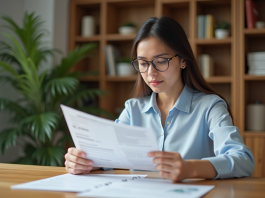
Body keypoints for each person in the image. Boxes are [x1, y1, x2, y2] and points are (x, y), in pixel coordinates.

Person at [64, 16, 254, 181]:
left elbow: (243, 160)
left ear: (183, 61)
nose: (151, 72)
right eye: (143, 63)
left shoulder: (210, 107)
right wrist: (84, 161)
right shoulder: (132, 110)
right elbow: (109, 157)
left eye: (161, 61)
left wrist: (191, 169)